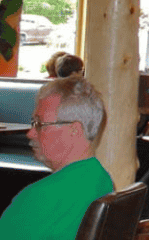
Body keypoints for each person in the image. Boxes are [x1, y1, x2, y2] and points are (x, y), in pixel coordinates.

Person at [0, 76, 112, 239]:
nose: (30, 133)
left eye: (39, 124)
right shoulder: (102, 179)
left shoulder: (39, 197)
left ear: (74, 130)